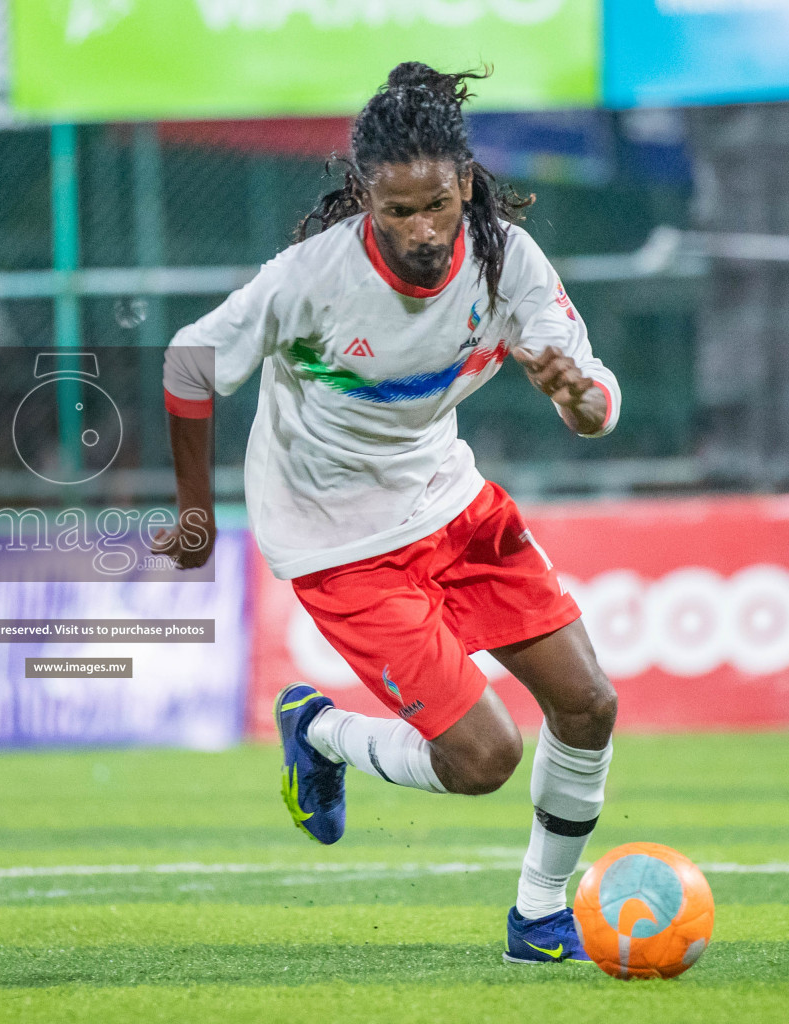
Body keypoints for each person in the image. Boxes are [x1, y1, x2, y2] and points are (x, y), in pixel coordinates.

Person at [155, 63, 618, 965]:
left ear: (466, 186)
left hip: (448, 499)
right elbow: (187, 362)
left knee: (589, 706)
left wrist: (578, 398)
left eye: (436, 205)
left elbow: (594, 403)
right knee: (484, 760)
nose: (419, 231)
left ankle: (537, 916)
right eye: (396, 210)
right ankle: (317, 730)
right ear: (364, 194)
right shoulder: (310, 279)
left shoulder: (506, 261)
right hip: (339, 541)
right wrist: (195, 514)